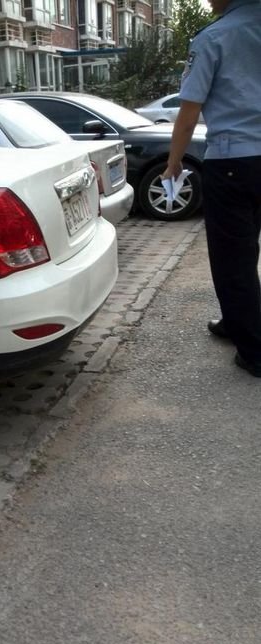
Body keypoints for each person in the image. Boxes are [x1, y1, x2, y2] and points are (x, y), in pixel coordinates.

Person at [163, 0, 261, 376]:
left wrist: (174, 162)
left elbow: (189, 111)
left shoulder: (214, 37)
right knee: (245, 250)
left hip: (233, 161)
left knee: (233, 257)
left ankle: (253, 351)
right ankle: (237, 319)